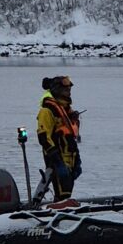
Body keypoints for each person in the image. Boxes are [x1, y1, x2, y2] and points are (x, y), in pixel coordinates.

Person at [37, 75, 82, 204]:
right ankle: (58, 210)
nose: (68, 91)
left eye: (69, 88)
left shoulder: (66, 110)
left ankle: (63, 206)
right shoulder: (47, 111)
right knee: (62, 193)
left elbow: (71, 138)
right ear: (57, 89)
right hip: (57, 159)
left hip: (70, 158)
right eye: (65, 89)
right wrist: (56, 160)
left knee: (66, 192)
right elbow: (43, 136)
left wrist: (77, 160)